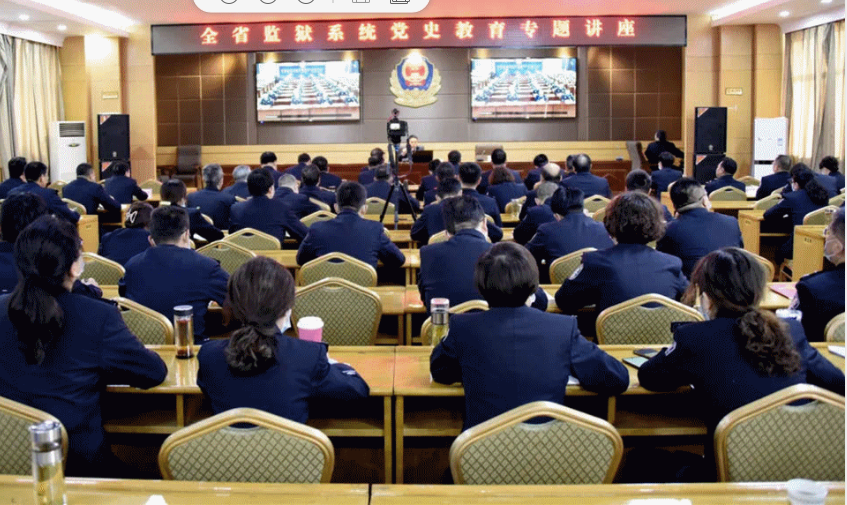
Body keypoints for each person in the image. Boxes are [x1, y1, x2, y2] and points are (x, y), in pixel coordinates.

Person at [638, 248, 844, 477]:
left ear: (706, 299)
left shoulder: (695, 337)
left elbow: (649, 377)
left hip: (729, 474)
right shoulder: (790, 330)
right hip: (801, 468)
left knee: (642, 458)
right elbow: (837, 382)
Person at [0, 215, 166, 476]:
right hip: (77, 465)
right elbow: (153, 373)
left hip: (9, 464)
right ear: (74, 267)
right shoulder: (96, 316)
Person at [430, 242, 629, 431]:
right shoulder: (561, 328)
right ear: (534, 284)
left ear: (480, 286)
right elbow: (616, 378)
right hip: (545, 457)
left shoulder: (463, 327)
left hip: (479, 456)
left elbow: (440, 372)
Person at [197, 257, 369, 422]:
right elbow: (358, 390)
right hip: (289, 452)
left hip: (226, 452)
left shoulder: (208, 356)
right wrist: (339, 366)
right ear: (286, 307)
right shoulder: (308, 356)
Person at [555, 192, 688, 335]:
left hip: (609, 350)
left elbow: (564, 300)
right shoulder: (672, 263)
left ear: (610, 222)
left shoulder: (597, 262)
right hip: (661, 349)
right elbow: (688, 299)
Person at [419, 195, 547, 312]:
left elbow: (425, 299)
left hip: (444, 330)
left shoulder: (427, 254)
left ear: (446, 232)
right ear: (485, 224)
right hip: (495, 331)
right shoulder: (503, 255)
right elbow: (538, 299)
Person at [121, 205, 229, 342]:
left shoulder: (131, 266)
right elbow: (237, 297)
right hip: (189, 350)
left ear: (150, 239)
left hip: (144, 350)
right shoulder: (205, 266)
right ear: (186, 235)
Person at [0, 194, 102, 299]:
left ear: (1, 228)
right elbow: (85, 295)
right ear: (42, 229)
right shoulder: (47, 262)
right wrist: (94, 289)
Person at [297, 182, 405, 269]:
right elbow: (399, 260)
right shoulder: (375, 229)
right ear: (364, 209)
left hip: (323, 293)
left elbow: (301, 260)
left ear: (336, 208)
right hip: (364, 293)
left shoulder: (317, 229)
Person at [657, 178, 743, 277]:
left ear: (674, 205)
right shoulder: (731, 222)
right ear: (704, 200)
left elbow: (663, 263)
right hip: (730, 285)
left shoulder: (669, 230)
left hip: (692, 288)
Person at [526, 187, 614, 282]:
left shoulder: (547, 231)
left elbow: (526, 254)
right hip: (601, 287)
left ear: (556, 216)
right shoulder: (604, 228)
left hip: (560, 289)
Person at [793, 207, 845, 341]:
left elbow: (795, 340)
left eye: (829, 233)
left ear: (837, 246)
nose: (826, 237)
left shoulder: (811, 289)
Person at [764, 167, 829, 266]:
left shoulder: (792, 197)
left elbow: (768, 215)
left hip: (797, 246)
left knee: (779, 251)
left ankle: (781, 276)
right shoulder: (823, 195)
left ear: (796, 183)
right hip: (820, 245)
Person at [410, 178, 503, 245]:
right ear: (460, 193)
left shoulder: (429, 210)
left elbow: (414, 234)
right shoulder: (468, 208)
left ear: (437, 196)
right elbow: (497, 234)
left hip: (438, 256)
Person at [229, 169, 308, 247]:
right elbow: (304, 234)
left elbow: (232, 237)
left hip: (243, 257)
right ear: (270, 189)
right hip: (273, 258)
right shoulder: (282, 208)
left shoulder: (236, 209)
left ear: (249, 189)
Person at [9, 161, 79, 223]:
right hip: (41, 235)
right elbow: (71, 216)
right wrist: (76, 213)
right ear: (41, 178)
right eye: (46, 176)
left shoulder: (12, 193)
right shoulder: (48, 194)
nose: (47, 179)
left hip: (17, 236)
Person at [186, 163, 237, 229]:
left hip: (196, 238)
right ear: (221, 180)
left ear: (203, 179)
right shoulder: (229, 199)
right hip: (221, 238)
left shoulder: (190, 197)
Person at [459, 162, 502, 226]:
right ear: (479, 180)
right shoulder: (490, 202)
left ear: (459, 179)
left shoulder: (449, 203)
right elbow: (499, 228)